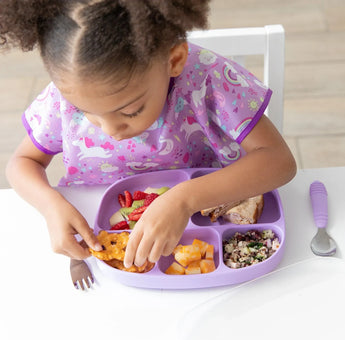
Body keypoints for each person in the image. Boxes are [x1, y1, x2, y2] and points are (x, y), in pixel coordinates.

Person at [1, 0, 296, 270]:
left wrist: (184, 200)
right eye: (82, 110)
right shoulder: (63, 97)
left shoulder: (208, 80)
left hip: (201, 212)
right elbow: (22, 163)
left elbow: (279, 161)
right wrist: (50, 206)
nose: (110, 130)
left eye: (130, 112)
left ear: (174, 60)